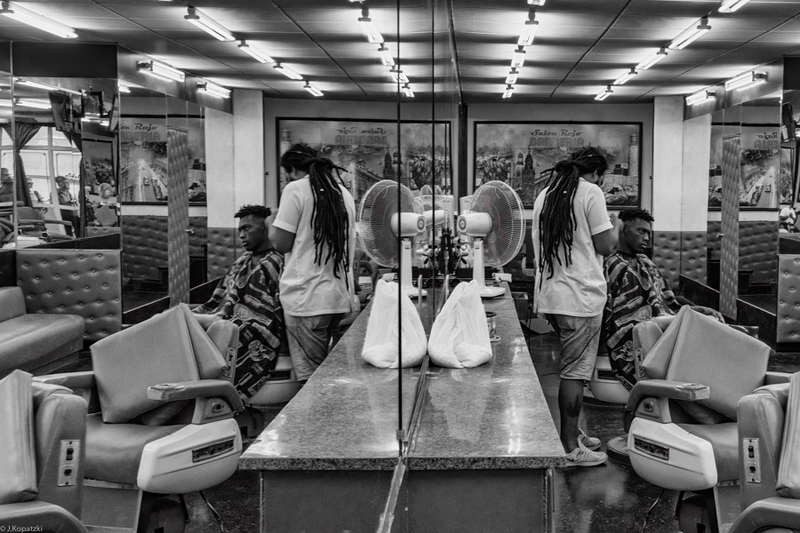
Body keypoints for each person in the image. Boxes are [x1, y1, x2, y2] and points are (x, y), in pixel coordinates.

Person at [532, 146, 619, 467]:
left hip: (552, 297)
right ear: (595, 172)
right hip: (580, 299)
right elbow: (606, 245)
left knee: (571, 367)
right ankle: (570, 446)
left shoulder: (547, 194)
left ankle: (573, 432)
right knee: (575, 374)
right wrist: (615, 225)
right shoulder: (591, 192)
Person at [603, 208, 724, 391]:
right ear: (622, 230)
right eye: (641, 231)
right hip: (631, 334)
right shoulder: (613, 264)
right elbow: (606, 311)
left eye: (649, 233)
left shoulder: (646, 262)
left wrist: (698, 310)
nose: (647, 238)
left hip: (659, 324)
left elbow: (668, 303)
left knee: (712, 322)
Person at [270, 143, 356, 383]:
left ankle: (313, 409)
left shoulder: (296, 189)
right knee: (329, 377)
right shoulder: (343, 193)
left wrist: (271, 221)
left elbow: (280, 243)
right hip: (337, 299)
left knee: (311, 382)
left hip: (306, 300)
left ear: (292, 170)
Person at [194, 204, 284, 402]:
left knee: (231, 331)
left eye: (247, 228)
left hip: (258, 326)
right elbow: (219, 299)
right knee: (178, 317)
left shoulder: (275, 262)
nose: (241, 235)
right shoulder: (243, 260)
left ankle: (218, 397)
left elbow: (275, 309)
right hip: (226, 316)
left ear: (266, 229)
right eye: (239, 230)